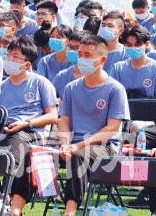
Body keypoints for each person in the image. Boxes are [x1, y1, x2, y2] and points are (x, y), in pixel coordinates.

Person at [0, 36, 58, 216]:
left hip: (30, 130)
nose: (9, 59)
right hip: (4, 129)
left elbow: (53, 116)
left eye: (15, 57)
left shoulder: (40, 83)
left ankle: (5, 198)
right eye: (9, 55)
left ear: (27, 64)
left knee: (15, 143)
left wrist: (26, 123)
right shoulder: (1, 86)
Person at [58, 34, 129, 216]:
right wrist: (65, 144)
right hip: (73, 144)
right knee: (32, 153)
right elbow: (63, 120)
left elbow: (112, 128)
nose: (82, 59)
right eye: (80, 54)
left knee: (79, 155)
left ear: (102, 60)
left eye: (88, 55)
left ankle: (70, 210)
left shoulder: (115, 89)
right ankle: (13, 207)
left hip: (104, 147)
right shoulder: (71, 87)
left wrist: (77, 146)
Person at [110, 25, 156, 98]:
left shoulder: (154, 68)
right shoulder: (118, 69)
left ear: (146, 44)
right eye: (129, 45)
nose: (133, 48)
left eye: (137, 45)